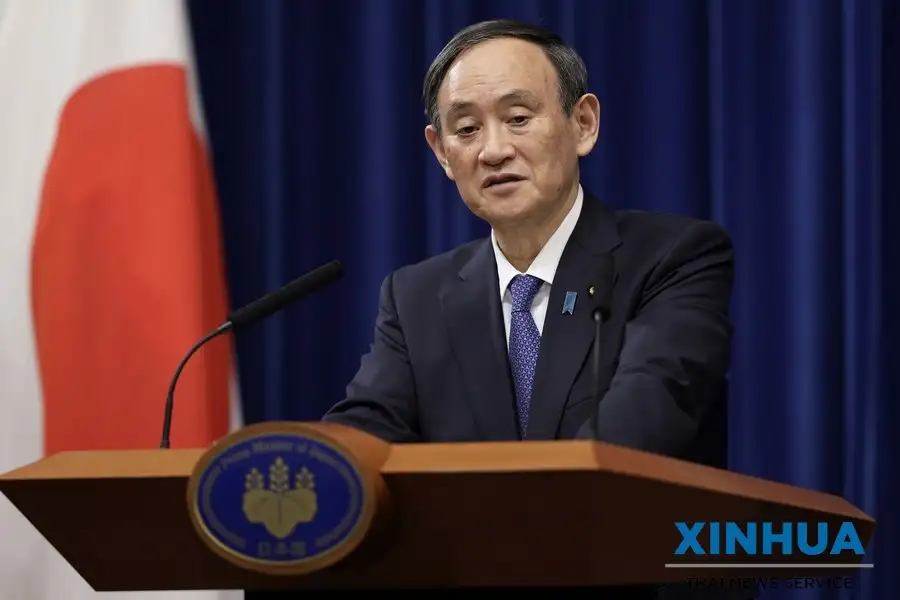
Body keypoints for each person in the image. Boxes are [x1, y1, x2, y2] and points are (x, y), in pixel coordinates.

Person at [324, 19, 733, 469]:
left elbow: (644, 415)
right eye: (467, 129)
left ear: (583, 124)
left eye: (518, 119)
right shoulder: (415, 298)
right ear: (441, 153)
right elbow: (363, 433)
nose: (493, 151)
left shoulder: (673, 259)